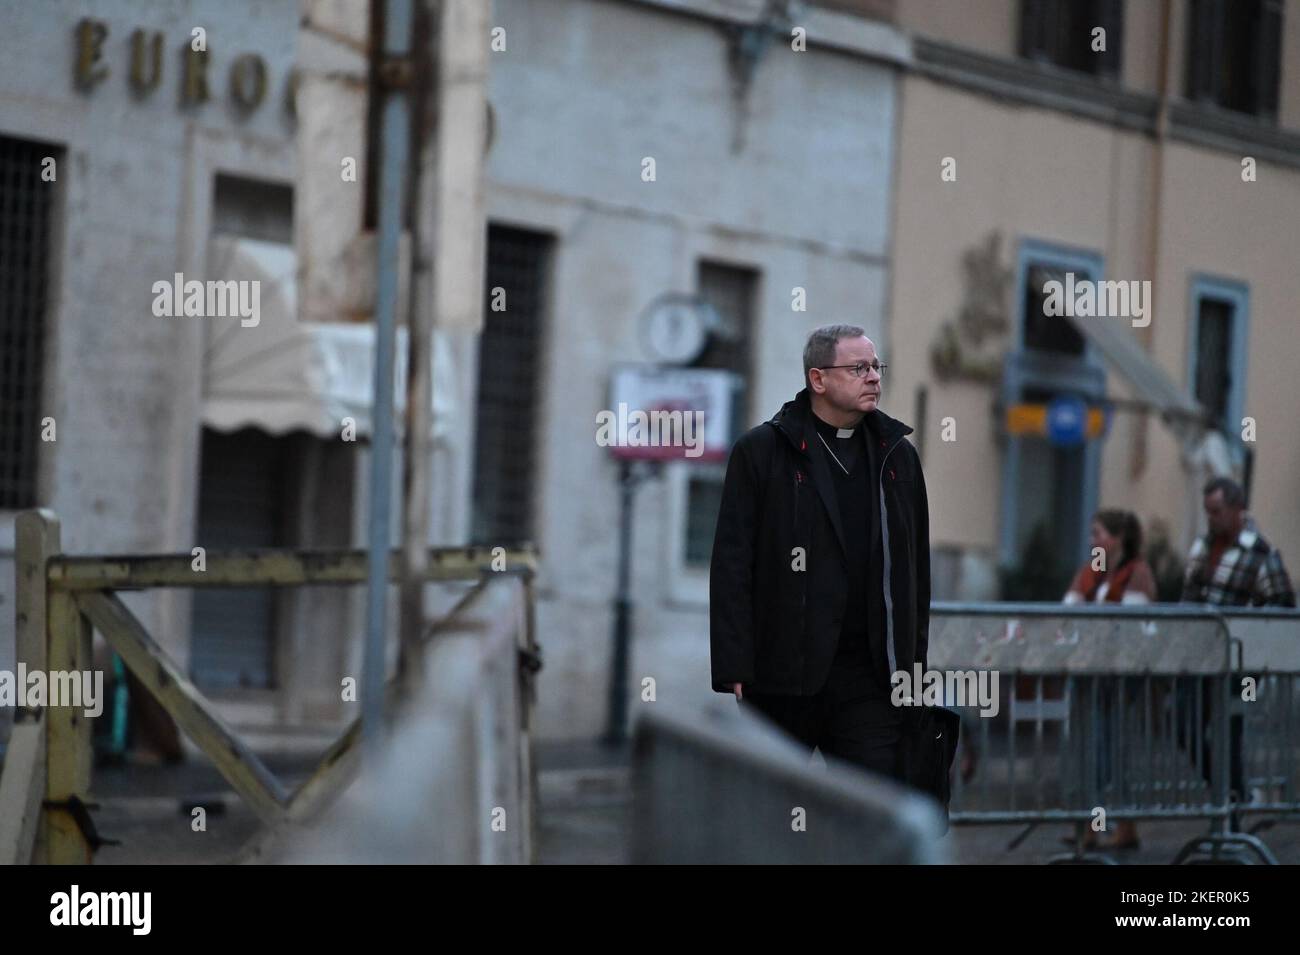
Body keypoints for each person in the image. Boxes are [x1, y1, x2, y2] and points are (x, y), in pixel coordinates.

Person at [709, 324, 931, 782]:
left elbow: (916, 573)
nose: (873, 377)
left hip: (870, 679)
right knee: (767, 812)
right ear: (818, 380)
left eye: (875, 366)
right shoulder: (763, 451)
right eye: (858, 368)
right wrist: (733, 663)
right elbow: (732, 563)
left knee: (871, 815)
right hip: (782, 673)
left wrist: (912, 664)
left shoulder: (898, 458)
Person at [1178, 477, 1295, 807]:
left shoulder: (1260, 554)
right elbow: (1189, 594)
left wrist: (1250, 631)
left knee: (1229, 731)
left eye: (1216, 512)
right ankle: (1234, 793)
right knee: (1183, 726)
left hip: (1242, 663)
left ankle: (1231, 810)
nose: (1211, 519)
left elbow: (1283, 605)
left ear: (1236, 510)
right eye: (1208, 512)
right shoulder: (1203, 546)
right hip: (1201, 656)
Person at [1061, 510, 1156, 852]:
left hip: (1121, 676)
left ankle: (1093, 826)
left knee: (1106, 751)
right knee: (1105, 750)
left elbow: (1127, 624)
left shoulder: (1137, 573)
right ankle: (1120, 826)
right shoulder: (1094, 571)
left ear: (1117, 539)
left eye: (1098, 534)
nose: (1092, 541)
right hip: (1094, 673)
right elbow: (1069, 607)